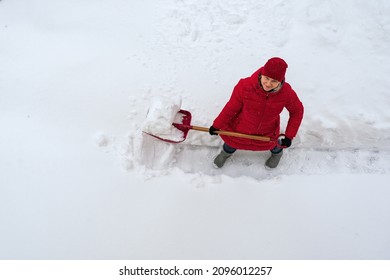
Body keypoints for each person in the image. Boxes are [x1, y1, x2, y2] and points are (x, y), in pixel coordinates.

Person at [209, 57, 304, 169]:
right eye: (267, 78)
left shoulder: (286, 93)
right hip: (241, 128)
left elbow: (297, 111)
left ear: (281, 80)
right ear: (262, 74)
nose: (268, 84)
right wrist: (217, 125)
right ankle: (225, 153)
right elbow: (231, 108)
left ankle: (277, 154)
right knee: (232, 142)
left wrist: (289, 136)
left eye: (274, 81)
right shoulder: (245, 86)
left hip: (267, 132)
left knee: (275, 145)